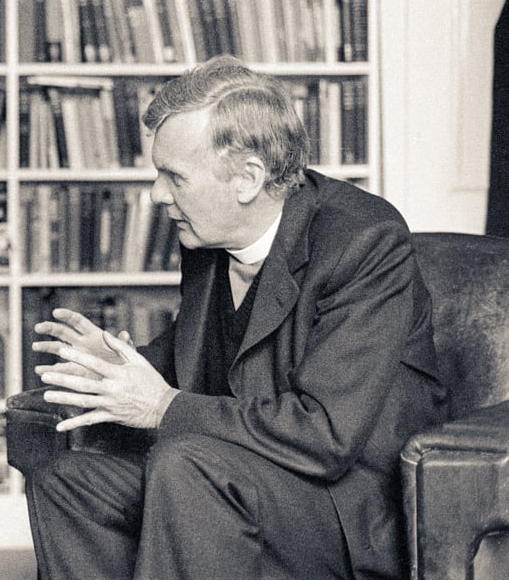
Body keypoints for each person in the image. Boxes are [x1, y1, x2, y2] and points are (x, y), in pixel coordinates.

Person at [27, 57, 448, 580]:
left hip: (343, 506)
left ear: (247, 178)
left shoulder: (363, 242)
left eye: (173, 176)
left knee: (184, 467)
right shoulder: (209, 231)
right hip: (237, 473)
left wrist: (161, 406)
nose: (157, 194)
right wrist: (115, 365)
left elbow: (327, 436)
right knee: (67, 481)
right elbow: (213, 352)